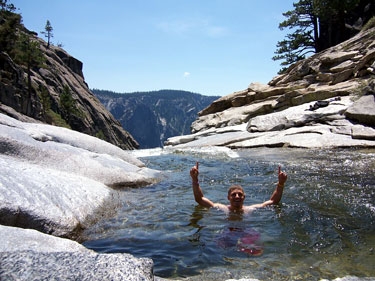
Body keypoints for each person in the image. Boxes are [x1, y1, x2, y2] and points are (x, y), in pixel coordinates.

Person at [190, 162, 287, 214]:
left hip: (245, 232)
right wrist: (195, 179)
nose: (237, 196)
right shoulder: (222, 209)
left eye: (240, 194)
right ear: (228, 198)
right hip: (228, 232)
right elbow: (200, 199)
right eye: (233, 195)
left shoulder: (250, 209)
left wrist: (281, 183)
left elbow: (273, 201)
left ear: (244, 197)